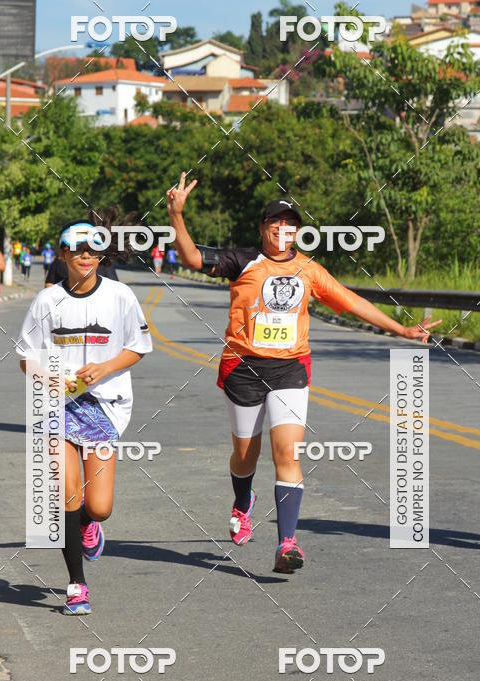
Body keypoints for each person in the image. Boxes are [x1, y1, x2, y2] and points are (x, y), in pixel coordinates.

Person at [167, 175, 441, 573]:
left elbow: (350, 300)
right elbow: (192, 258)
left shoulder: (309, 270)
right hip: (243, 368)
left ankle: (287, 544)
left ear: (298, 232)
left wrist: (400, 329)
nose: (283, 229)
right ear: (262, 228)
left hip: (290, 370)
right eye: (275, 223)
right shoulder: (242, 261)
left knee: (288, 454)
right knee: (245, 456)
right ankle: (243, 503)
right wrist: (177, 216)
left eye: (291, 224)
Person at [16, 220, 153, 615]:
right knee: (65, 493)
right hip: (57, 407)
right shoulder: (46, 302)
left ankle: (90, 524)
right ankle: (77, 584)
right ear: (63, 255)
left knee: (100, 505)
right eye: (76, 249)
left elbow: (139, 346)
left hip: (104, 405)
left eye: (93, 249)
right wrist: (50, 378)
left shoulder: (120, 295)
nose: (85, 255)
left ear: (101, 254)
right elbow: (26, 357)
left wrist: (105, 368)